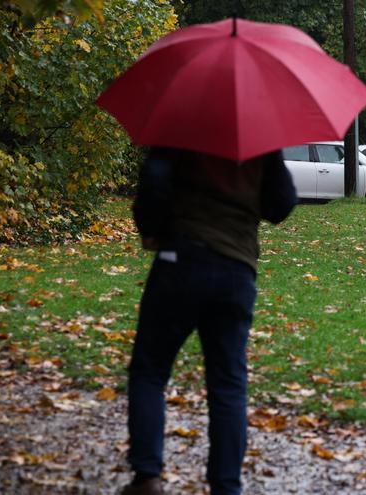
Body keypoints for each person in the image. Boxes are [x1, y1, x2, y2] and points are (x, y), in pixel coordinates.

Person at [122, 147, 297, 495]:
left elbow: (154, 180)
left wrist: (151, 227)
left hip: (180, 259)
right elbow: (282, 203)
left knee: (150, 370)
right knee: (228, 383)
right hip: (236, 269)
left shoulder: (180, 125)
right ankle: (226, 486)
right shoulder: (260, 139)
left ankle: (147, 476)